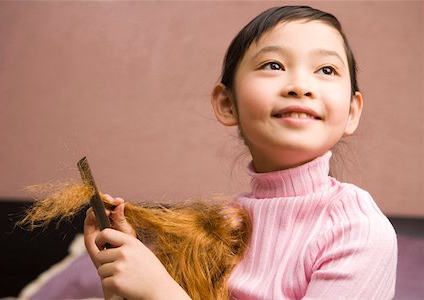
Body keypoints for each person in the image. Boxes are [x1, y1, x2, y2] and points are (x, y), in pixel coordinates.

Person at [84, 5, 397, 299]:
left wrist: (160, 291)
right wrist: (124, 275)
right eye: (273, 65)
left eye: (326, 70)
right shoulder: (224, 226)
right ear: (227, 104)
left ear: (352, 112)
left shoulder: (357, 230)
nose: (300, 85)